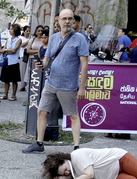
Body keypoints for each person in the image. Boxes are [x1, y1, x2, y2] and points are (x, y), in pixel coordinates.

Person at [22, 9, 90, 153]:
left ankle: (77, 147)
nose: (67, 21)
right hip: (51, 83)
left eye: (70, 19)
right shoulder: (53, 38)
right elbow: (48, 59)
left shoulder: (80, 39)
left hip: (68, 85)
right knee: (41, 111)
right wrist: (42, 65)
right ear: (58, 20)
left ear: (74, 21)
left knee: (73, 115)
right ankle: (39, 143)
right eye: (64, 18)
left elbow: (84, 65)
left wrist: (82, 88)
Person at [0, 24, 22, 101]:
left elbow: (14, 50)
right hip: (7, 61)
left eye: (11, 29)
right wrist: (6, 51)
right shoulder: (8, 39)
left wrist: (6, 51)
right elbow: (4, 48)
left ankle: (13, 95)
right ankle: (5, 93)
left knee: (14, 80)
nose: (10, 30)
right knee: (6, 79)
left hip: (14, 61)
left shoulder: (19, 40)